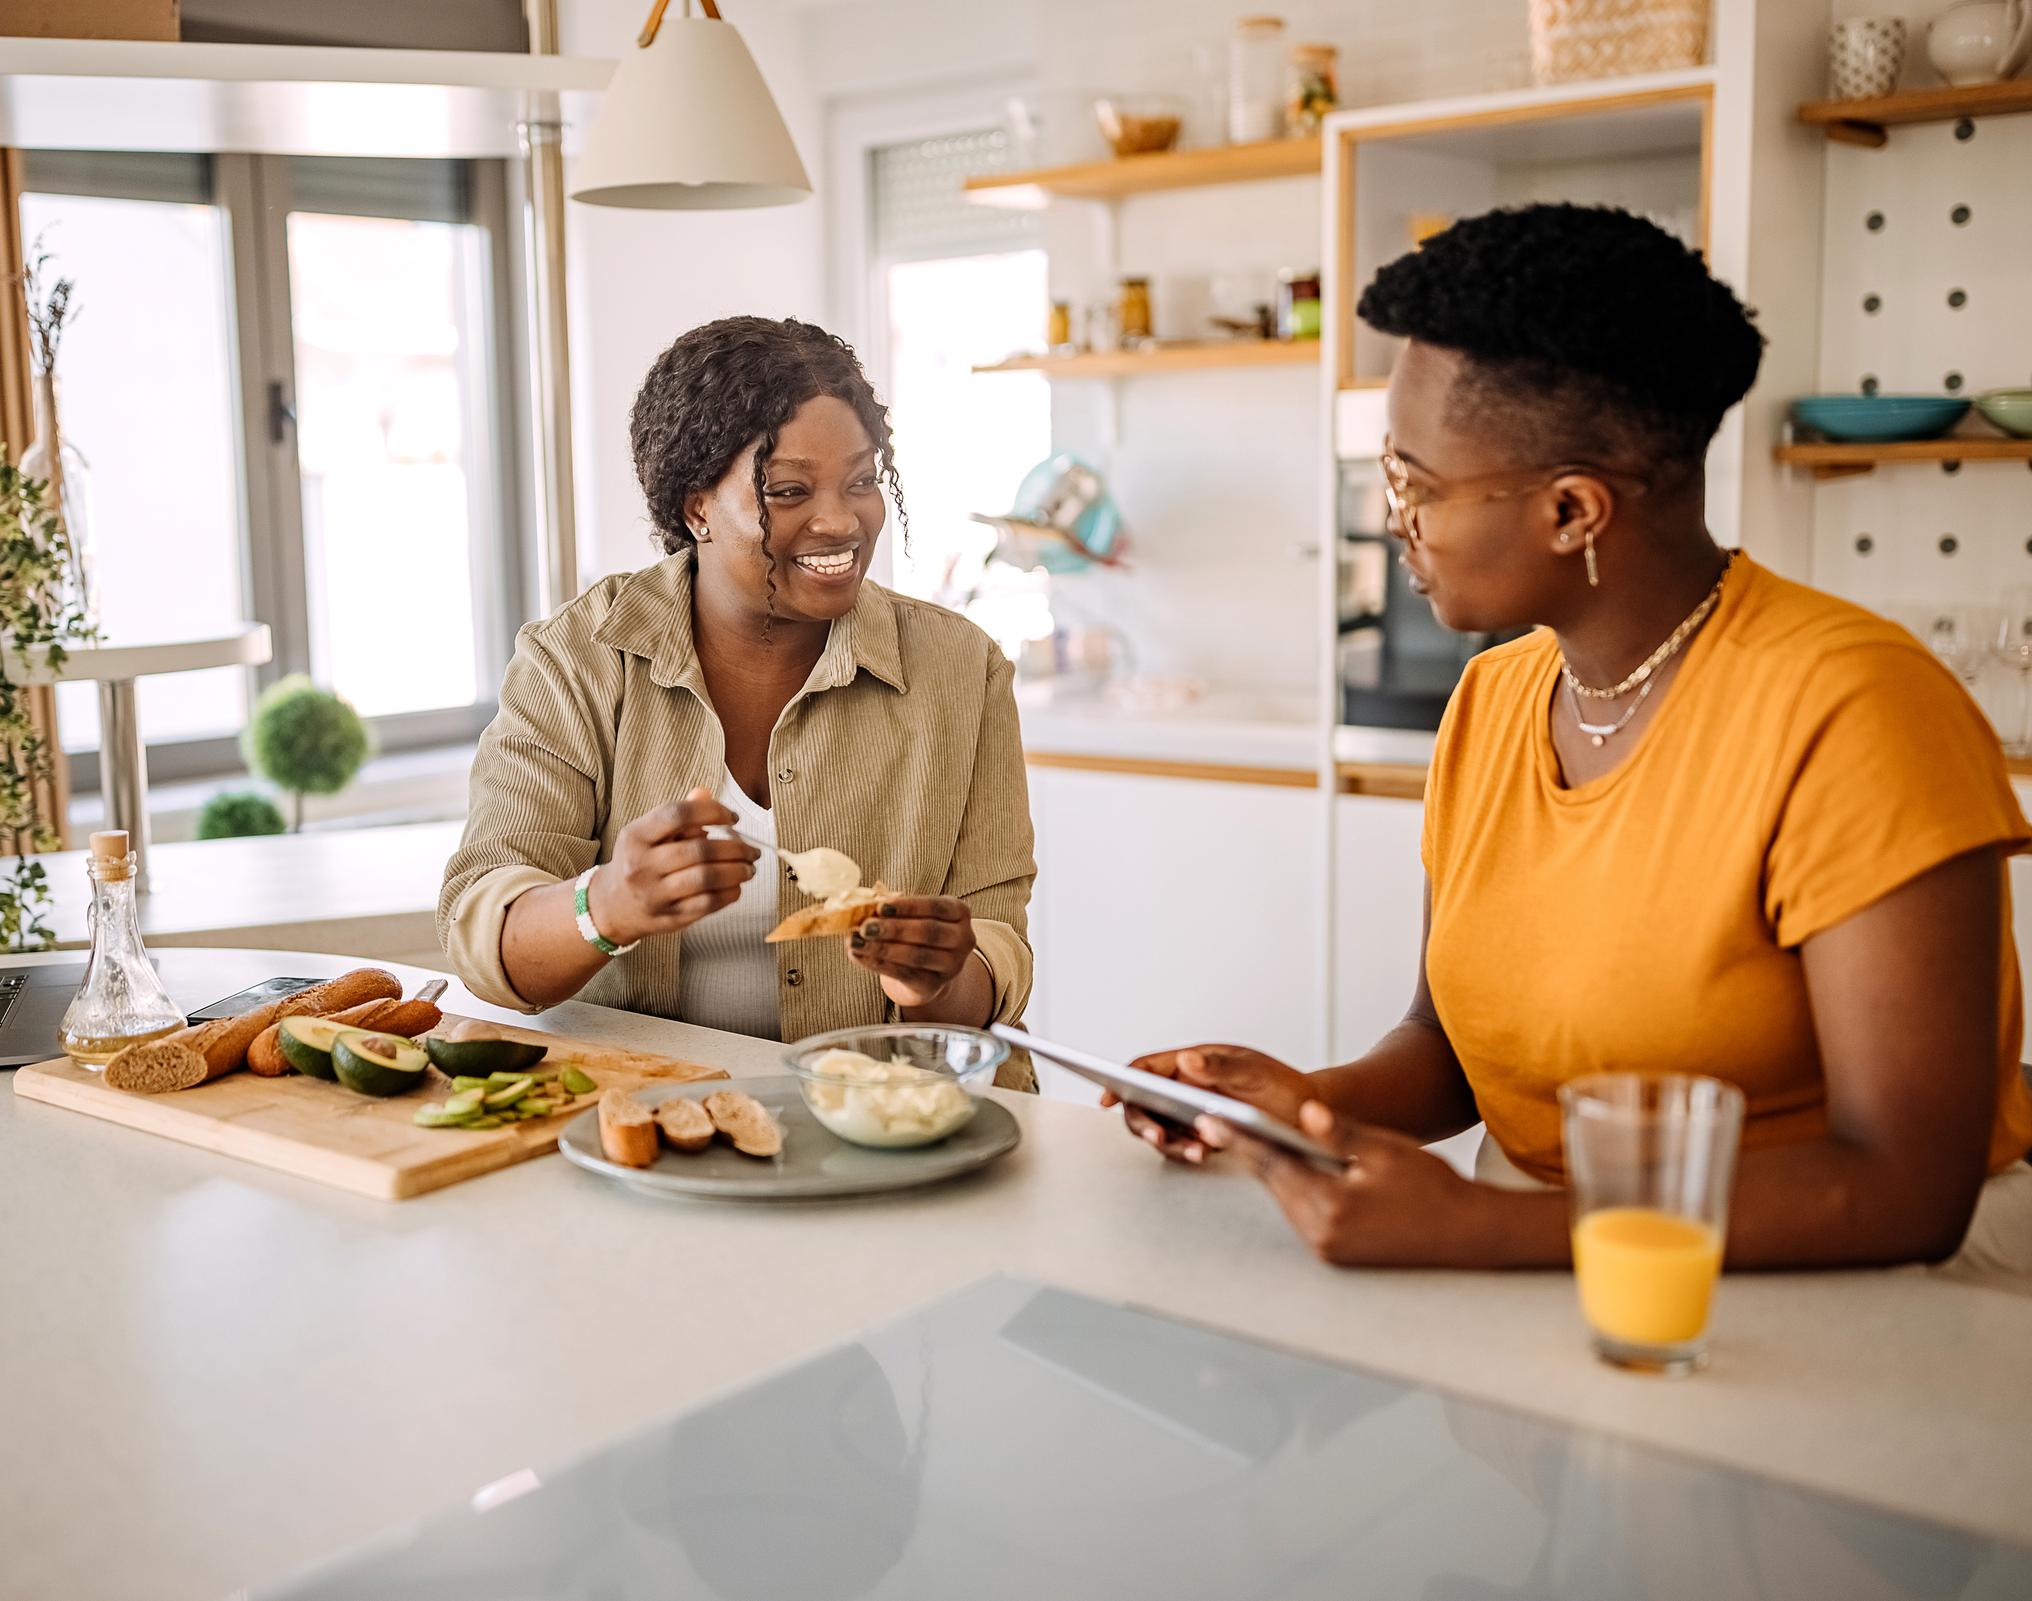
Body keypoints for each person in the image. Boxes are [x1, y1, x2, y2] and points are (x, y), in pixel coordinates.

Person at [1117, 203, 2032, 1288]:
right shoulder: (1496, 699)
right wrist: (1298, 1104)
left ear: (1572, 511)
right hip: (1553, 1266)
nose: (1394, 518)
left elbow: (1904, 1189)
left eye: (1414, 484)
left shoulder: (1857, 711)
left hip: (1839, 1290)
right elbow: (1453, 1048)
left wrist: (1480, 1228)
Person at [440, 316, 1036, 1083]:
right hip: (637, 1121)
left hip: (887, 1126)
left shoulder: (961, 670)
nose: (840, 520)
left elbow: (998, 954)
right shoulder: (579, 659)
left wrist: (937, 977)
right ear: (695, 510)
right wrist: (608, 904)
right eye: (788, 491)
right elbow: (485, 937)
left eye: (861, 480)